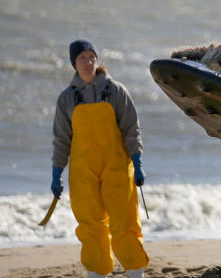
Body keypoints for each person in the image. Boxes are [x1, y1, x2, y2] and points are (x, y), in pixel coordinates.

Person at [51, 39, 149, 278]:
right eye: (82, 58)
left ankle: (136, 273)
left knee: (124, 224)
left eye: (91, 56)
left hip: (117, 168)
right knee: (90, 227)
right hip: (83, 172)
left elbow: (131, 129)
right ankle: (97, 274)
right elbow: (61, 139)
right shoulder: (67, 98)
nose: (88, 62)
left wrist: (137, 162)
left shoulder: (115, 91)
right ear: (74, 63)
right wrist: (57, 173)